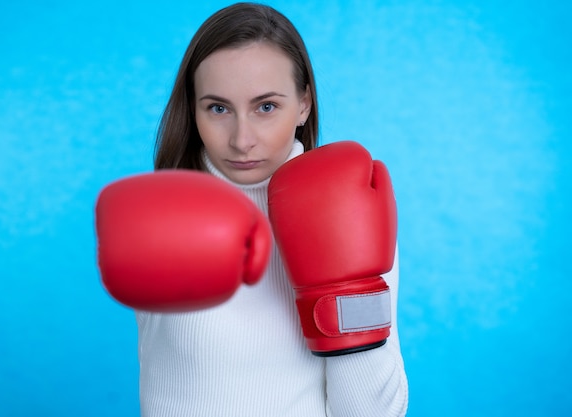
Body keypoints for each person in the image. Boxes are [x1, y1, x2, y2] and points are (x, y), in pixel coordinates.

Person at [96, 2, 408, 416]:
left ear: (303, 105)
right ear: (193, 109)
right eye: (219, 108)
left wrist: (343, 295)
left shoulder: (350, 207)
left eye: (266, 107)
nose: (242, 140)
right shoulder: (160, 214)